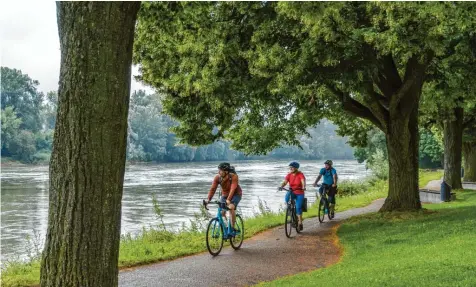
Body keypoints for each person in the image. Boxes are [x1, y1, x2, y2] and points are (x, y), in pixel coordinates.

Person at [206, 162, 242, 234]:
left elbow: (233, 188)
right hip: (224, 195)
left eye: (220, 170)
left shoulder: (234, 176)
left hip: (236, 194)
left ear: (226, 171)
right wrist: (208, 199)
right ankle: (225, 228)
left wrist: (228, 200)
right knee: (222, 212)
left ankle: (232, 228)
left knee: (231, 207)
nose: (218, 172)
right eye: (218, 170)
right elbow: (213, 189)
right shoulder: (218, 177)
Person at [278, 161, 306, 231]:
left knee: (298, 207)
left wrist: (303, 187)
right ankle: (290, 209)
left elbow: (303, 181)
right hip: (292, 191)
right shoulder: (289, 175)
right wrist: (281, 186)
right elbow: (285, 182)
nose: (290, 168)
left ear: (296, 168)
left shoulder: (300, 174)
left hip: (299, 192)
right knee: (287, 198)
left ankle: (300, 222)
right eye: (290, 167)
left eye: (292, 167)